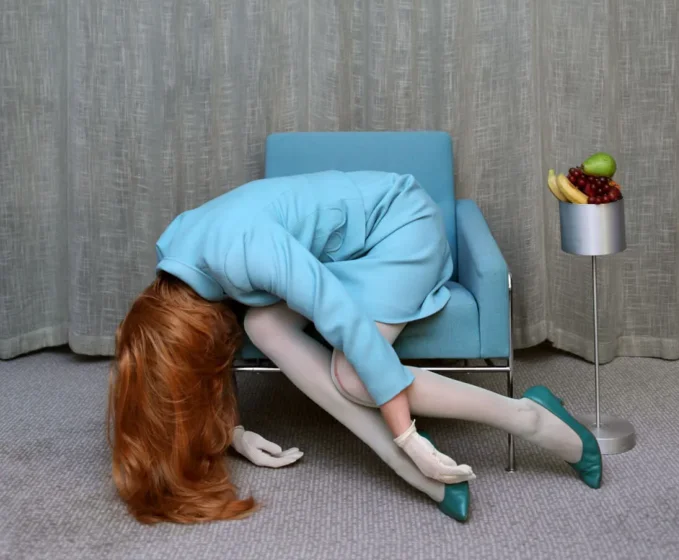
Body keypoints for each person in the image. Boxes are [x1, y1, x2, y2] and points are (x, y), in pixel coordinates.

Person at [108, 170, 602, 524]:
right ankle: (408, 467)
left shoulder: (244, 250)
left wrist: (407, 435)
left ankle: (531, 417)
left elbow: (340, 318)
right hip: (343, 257)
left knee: (352, 375)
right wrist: (232, 431)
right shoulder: (175, 265)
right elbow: (208, 351)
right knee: (262, 325)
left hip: (402, 228)